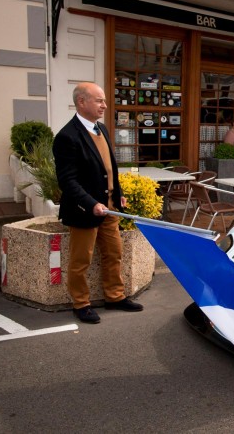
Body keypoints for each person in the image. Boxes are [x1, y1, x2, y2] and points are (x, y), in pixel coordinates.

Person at [53, 82, 143, 324]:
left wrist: (119, 192)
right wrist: (91, 203)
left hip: (109, 208)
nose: (105, 105)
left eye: (104, 100)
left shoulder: (101, 129)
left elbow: (110, 168)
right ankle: (81, 304)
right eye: (99, 100)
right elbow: (67, 181)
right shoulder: (66, 137)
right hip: (85, 210)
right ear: (81, 102)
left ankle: (115, 297)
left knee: (114, 253)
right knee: (81, 260)